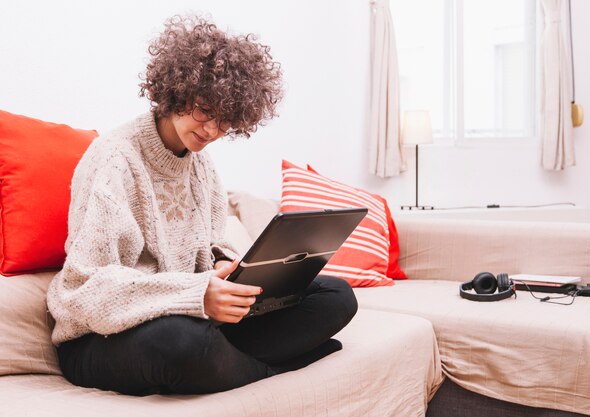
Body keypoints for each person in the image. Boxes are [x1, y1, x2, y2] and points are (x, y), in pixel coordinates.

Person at [46, 15, 358, 396]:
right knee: (183, 343)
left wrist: (226, 268)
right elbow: (88, 289)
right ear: (177, 89)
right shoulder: (114, 159)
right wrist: (195, 295)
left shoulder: (202, 168)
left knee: (336, 296)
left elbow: (207, 250)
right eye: (205, 110)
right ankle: (272, 367)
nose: (212, 130)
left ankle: (231, 365)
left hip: (190, 315)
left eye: (226, 121)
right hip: (104, 335)